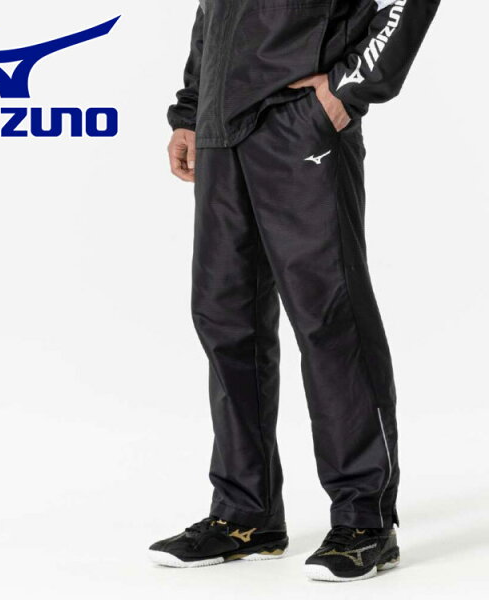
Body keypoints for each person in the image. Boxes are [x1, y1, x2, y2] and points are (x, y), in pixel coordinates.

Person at [149, 0, 440, 581]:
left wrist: (348, 87)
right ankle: (246, 514)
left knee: (329, 316)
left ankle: (364, 520)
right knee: (225, 318)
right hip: (221, 126)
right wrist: (191, 110)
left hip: (297, 116)